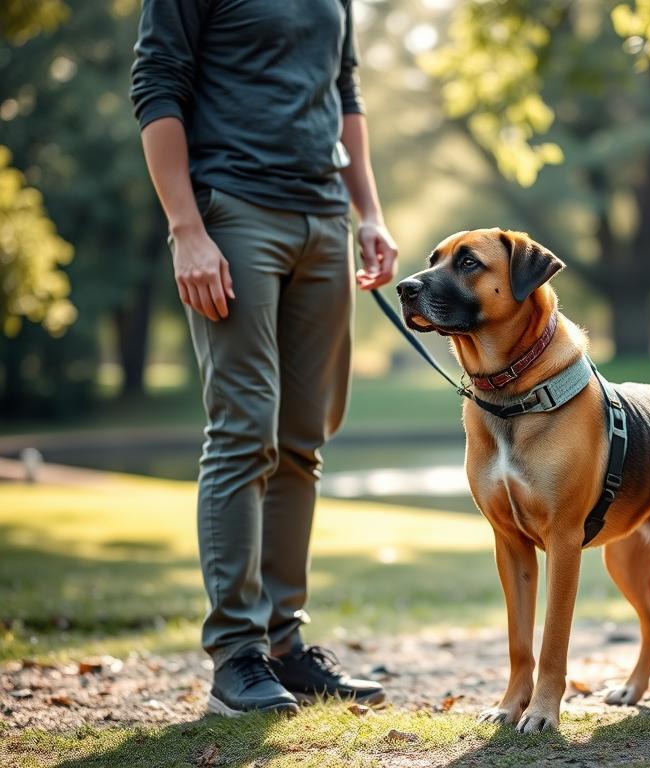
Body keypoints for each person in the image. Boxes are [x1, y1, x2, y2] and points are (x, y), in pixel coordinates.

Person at [130, 0, 397, 716]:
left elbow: (344, 92)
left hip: (323, 219)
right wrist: (186, 228)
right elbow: (157, 83)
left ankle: (284, 646)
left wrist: (367, 211)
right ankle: (236, 653)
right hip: (235, 209)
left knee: (302, 440)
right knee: (245, 429)